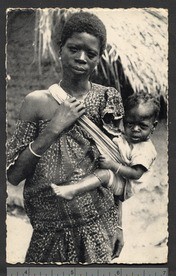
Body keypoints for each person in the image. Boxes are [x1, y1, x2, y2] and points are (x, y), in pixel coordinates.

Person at [7, 11, 124, 263]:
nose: (81, 58)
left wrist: (118, 225)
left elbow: (118, 169)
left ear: (98, 59)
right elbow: (14, 175)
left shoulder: (107, 100)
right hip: (49, 231)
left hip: (97, 225)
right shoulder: (36, 103)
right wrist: (53, 128)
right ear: (59, 49)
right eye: (74, 48)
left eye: (90, 54)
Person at [52, 92, 160, 201]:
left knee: (104, 174)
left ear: (153, 126)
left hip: (126, 188)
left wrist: (112, 165)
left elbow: (136, 174)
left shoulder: (145, 150)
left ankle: (73, 190)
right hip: (122, 176)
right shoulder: (128, 137)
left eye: (142, 126)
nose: (135, 129)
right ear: (124, 120)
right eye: (130, 124)